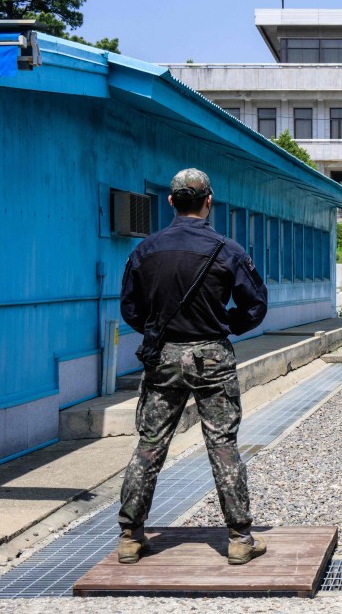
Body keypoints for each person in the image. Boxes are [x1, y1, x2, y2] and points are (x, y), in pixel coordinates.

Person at [117, 168, 269, 565]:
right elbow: (255, 305)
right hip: (212, 357)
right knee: (222, 444)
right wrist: (225, 327)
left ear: (170, 201)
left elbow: (130, 308)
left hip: (163, 357)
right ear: (209, 201)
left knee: (150, 444)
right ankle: (239, 538)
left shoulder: (145, 250)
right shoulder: (227, 250)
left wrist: (158, 331)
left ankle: (131, 537)